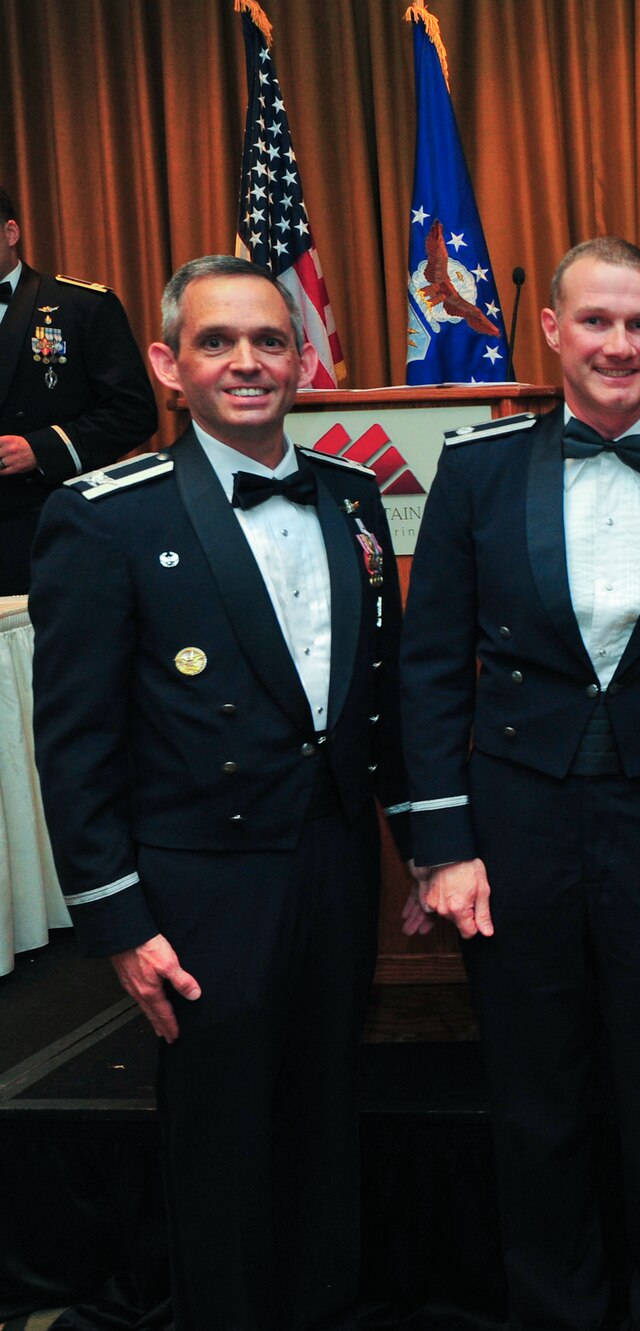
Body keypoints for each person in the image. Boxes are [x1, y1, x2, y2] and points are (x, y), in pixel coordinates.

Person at [30, 254, 410, 1328]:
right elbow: (75, 741)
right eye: (216, 341)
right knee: (221, 1147)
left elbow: (379, 688)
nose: (247, 362)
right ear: (166, 364)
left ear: (302, 356)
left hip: (336, 862)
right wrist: (118, 921)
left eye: (269, 339)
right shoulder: (101, 516)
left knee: (326, 1123)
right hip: (201, 884)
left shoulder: (352, 496)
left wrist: (420, 847)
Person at [399, 236, 640, 1330]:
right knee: (535, 1085)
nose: (621, 343)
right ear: (553, 330)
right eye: (597, 320)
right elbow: (428, 668)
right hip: (512, 818)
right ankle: (554, 1306)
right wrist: (442, 845)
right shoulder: (474, 467)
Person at [0, 184, 158, 593]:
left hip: (45, 526)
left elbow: (134, 412)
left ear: (11, 232)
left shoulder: (81, 305)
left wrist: (42, 448)